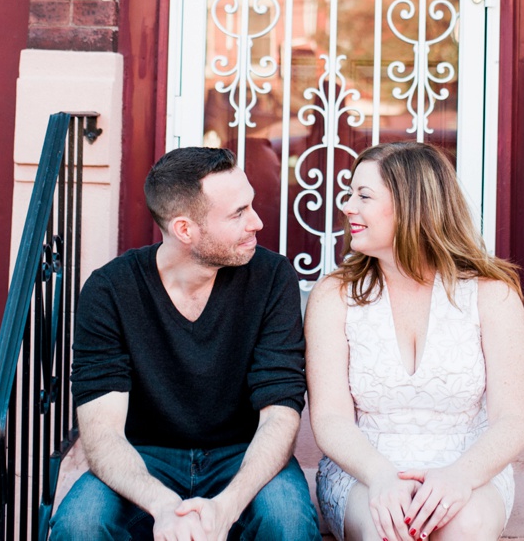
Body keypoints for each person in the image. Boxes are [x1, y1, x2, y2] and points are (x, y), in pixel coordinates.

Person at [51, 147, 322, 541]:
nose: (257, 222)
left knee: (288, 521)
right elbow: (102, 433)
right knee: (81, 524)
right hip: (143, 455)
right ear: (184, 230)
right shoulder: (110, 290)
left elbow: (280, 413)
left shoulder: (271, 278)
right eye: (238, 213)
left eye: (251, 206)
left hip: (243, 453)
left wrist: (227, 507)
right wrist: (163, 506)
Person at [306, 143, 524, 541]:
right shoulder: (334, 295)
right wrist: (380, 477)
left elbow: (512, 420)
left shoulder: (492, 295)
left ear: (412, 205)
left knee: (464, 526)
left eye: (364, 196)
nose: (347, 207)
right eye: (349, 194)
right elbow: (329, 419)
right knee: (387, 528)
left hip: (469, 471)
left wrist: (460, 476)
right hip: (365, 472)